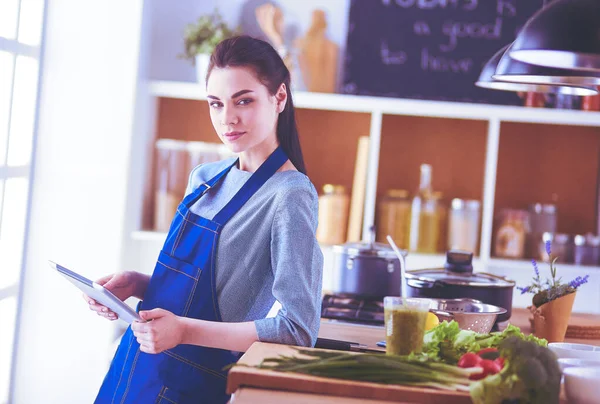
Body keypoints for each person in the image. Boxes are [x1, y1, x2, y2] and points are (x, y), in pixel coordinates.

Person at [85, 35, 324, 403]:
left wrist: (183, 332)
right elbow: (203, 292)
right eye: (216, 104)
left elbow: (297, 329)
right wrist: (137, 284)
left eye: (243, 101)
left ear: (279, 97)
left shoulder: (290, 195)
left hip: (189, 385)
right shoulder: (205, 178)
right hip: (134, 367)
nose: (227, 118)